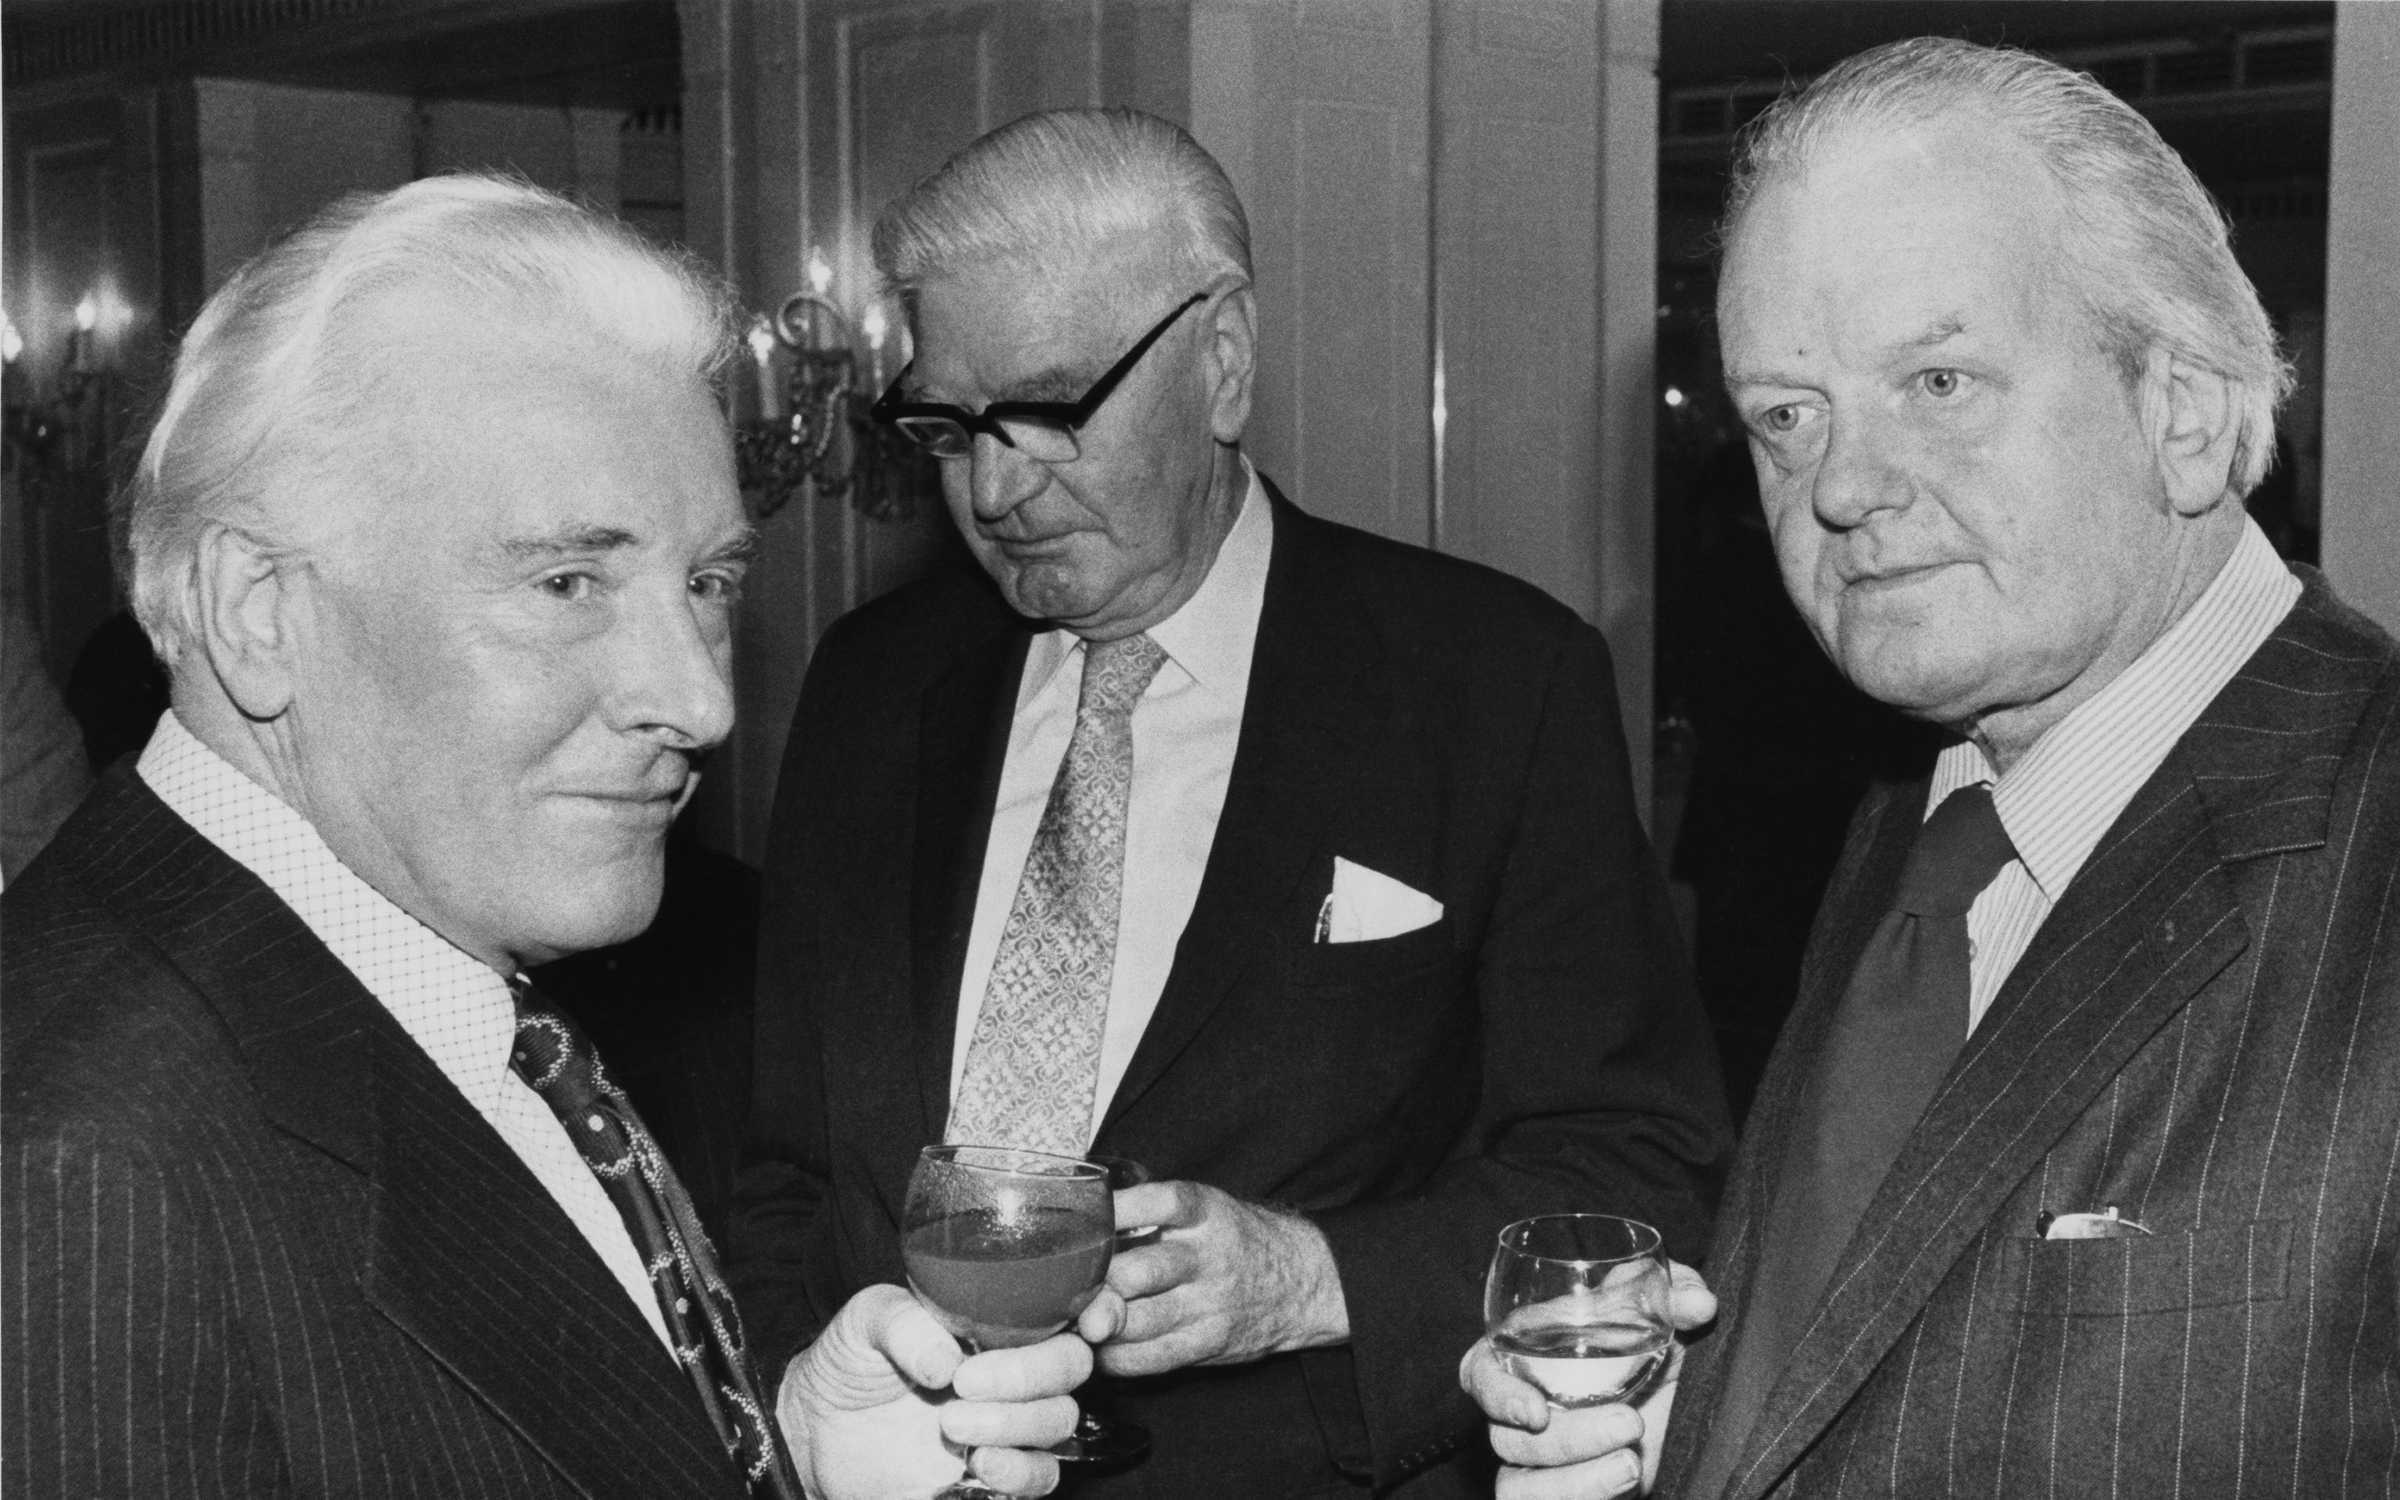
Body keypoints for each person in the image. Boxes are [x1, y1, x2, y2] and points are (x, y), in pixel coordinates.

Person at [0, 175, 1095, 1500]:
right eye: (567, 582)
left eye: (706, 584)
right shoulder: (81, 1166)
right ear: (257, 613)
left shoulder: (416, 967)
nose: (702, 702)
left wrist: (789, 1462)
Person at [732, 107, 1731, 1498]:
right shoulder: (870, 687)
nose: (998, 488)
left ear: (1222, 363)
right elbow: (783, 1176)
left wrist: (1314, 1279)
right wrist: (795, 1429)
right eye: (951, 428)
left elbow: (1640, 1160)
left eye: (1050, 408)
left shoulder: (1492, 687)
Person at [1462, 35, 2400, 1497]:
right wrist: (1694, 1418)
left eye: (1940, 379)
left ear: (2188, 414)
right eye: (1787, 413)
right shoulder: (1923, 824)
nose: (1838, 485)